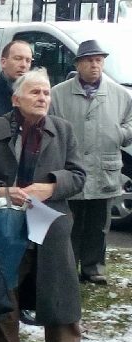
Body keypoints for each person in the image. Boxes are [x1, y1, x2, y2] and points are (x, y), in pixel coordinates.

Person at [0, 68, 107, 342]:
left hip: (50, 225)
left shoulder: (63, 130)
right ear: (16, 99)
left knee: (61, 295)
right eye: (35, 92)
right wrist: (1, 190)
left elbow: (78, 175)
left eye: (46, 93)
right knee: (6, 296)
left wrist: (51, 185)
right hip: (4, 226)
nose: (42, 98)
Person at [50, 40, 132, 285]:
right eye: (89, 60)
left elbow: (131, 122)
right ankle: (69, 266)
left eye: (98, 60)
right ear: (78, 64)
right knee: (70, 223)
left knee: (99, 225)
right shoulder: (58, 93)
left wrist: (119, 134)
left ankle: (94, 269)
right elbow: (51, 125)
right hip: (72, 169)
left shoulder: (119, 93)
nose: (95, 65)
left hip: (104, 167)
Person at [0, 40, 33, 118]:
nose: (24, 65)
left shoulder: (34, 96)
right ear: (3, 62)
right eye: (18, 58)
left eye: (28, 61)